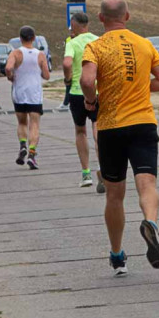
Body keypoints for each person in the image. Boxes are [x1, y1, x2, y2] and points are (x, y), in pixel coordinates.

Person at [81, 0, 159, 277]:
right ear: (128, 16)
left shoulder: (95, 46)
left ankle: (118, 254)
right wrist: (142, 89)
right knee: (147, 183)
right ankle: (151, 223)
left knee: (114, 194)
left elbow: (86, 80)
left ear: (100, 18)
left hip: (110, 126)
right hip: (143, 123)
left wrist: (90, 101)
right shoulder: (145, 44)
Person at [5, 26, 50, 170]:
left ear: (20, 38)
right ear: (34, 38)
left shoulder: (16, 53)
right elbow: (47, 75)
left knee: (22, 122)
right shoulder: (40, 54)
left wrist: (10, 76)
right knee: (35, 124)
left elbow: (8, 68)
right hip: (34, 93)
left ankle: (23, 144)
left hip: (19, 92)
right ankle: (31, 153)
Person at [62, 12, 99, 188]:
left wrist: (68, 79)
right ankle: (103, 167)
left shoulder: (72, 43)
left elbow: (67, 63)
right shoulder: (98, 40)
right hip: (97, 89)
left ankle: (86, 173)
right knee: (98, 128)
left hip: (77, 91)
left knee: (80, 131)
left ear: (74, 24)